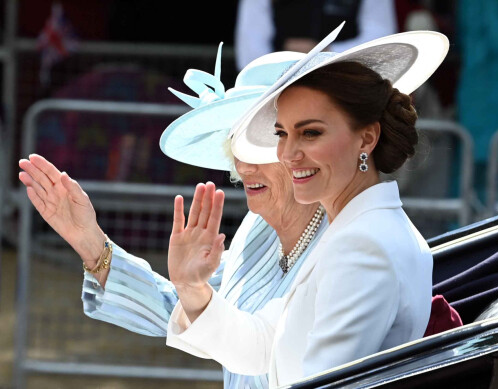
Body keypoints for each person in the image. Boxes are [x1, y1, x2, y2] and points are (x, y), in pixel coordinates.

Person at [17, 49, 331, 389]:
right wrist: (91, 242)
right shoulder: (258, 231)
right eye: (237, 145)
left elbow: (252, 344)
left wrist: (192, 289)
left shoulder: (345, 240)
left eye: (259, 146)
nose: (242, 167)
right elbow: (184, 310)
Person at [165, 28, 449, 387]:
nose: (288, 153)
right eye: (282, 134)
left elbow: (321, 382)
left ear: (367, 137)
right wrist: (190, 287)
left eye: (310, 133)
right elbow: (263, 345)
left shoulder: (363, 245)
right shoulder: (353, 230)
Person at [235, 0, 398, 70]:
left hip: (346, 85)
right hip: (278, 88)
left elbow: (382, 39)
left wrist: (325, 52)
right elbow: (250, 54)